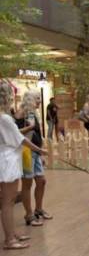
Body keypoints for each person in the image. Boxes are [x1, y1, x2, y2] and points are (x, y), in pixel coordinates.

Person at [0, 82, 47, 250]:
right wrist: (40, 150)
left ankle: (12, 234)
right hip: (7, 161)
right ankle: (9, 240)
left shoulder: (4, 117)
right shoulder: (4, 117)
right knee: (8, 202)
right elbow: (20, 139)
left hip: (8, 159)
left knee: (9, 201)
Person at [14, 90, 53, 227]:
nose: (39, 101)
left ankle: (38, 209)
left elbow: (36, 132)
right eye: (37, 99)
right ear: (30, 99)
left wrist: (40, 151)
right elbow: (16, 134)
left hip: (36, 152)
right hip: (26, 153)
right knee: (27, 184)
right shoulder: (21, 113)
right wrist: (29, 127)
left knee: (41, 181)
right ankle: (29, 215)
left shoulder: (33, 113)